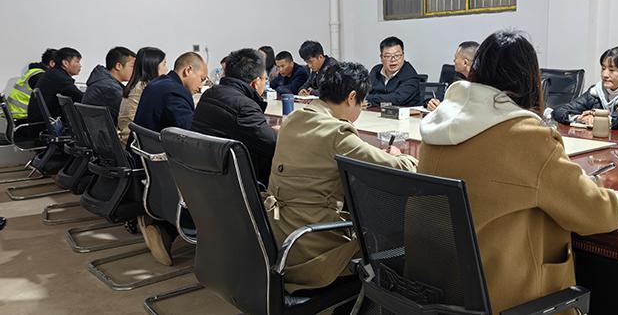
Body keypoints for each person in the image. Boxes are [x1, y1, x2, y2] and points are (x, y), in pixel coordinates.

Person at [418, 30, 618, 313]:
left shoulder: (436, 125)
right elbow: (598, 215)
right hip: (503, 299)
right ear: (529, 79)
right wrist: (614, 198)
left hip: (435, 290)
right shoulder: (526, 135)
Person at [264, 62, 417, 292]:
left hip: (280, 239)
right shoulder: (336, 132)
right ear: (351, 97)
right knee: (392, 238)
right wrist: (402, 156)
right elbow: (399, 168)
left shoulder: (293, 119)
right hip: (313, 250)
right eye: (361, 103)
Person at [132, 52, 208, 267]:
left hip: (147, 161)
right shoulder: (175, 92)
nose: (201, 86)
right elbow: (190, 135)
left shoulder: (158, 84)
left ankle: (161, 227)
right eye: (202, 79)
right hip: (161, 164)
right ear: (188, 70)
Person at [192, 48, 277, 186]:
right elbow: (273, 144)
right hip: (233, 183)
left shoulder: (209, 94)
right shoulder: (244, 106)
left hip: (203, 175)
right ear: (256, 82)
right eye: (265, 79)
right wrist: (280, 132)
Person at [552, 47, 618, 131]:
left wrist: (606, 119)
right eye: (603, 68)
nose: (604, 74)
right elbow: (560, 111)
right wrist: (580, 118)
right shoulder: (596, 92)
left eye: (612, 70)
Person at [117, 47, 167, 146]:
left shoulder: (135, 86)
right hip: (136, 144)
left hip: (127, 141)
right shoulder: (146, 88)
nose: (167, 69)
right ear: (153, 65)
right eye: (164, 64)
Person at [27, 47, 84, 122]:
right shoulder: (61, 78)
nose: (80, 65)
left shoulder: (53, 73)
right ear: (65, 63)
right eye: (77, 62)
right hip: (46, 123)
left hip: (41, 121)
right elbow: (81, 98)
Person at [82, 47, 136, 124]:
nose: (135, 70)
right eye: (132, 66)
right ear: (118, 66)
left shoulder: (103, 82)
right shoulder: (110, 89)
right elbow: (128, 115)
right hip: (103, 130)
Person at [366, 36, 421, 107]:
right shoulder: (376, 70)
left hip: (404, 112)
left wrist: (368, 98)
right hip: (375, 111)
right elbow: (363, 91)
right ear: (381, 58)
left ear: (403, 55)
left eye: (397, 55)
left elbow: (396, 99)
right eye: (388, 56)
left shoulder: (410, 75)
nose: (393, 59)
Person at [425, 40, 479, 111]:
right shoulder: (456, 77)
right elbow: (441, 99)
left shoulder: (481, 84)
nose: (454, 61)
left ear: (465, 63)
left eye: (456, 58)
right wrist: (430, 103)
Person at [6, 48, 57, 120]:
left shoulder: (33, 71)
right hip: (22, 116)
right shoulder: (40, 76)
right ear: (52, 63)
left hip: (14, 114)